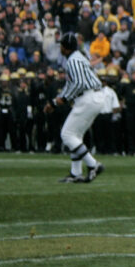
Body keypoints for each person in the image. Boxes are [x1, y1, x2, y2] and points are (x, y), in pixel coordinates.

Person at [44, 32, 116, 183]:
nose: (60, 49)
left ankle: (93, 164)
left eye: (62, 46)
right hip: (92, 97)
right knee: (75, 136)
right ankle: (75, 172)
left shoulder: (73, 60)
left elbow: (79, 84)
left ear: (66, 47)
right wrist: (55, 102)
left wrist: (62, 99)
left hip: (88, 97)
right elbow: (72, 84)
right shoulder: (78, 57)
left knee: (67, 134)